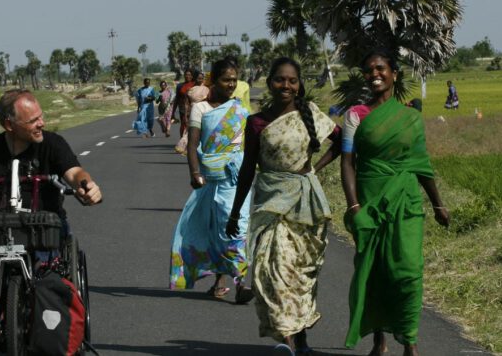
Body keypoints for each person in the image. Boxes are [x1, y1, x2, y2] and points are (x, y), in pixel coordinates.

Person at [227, 57, 341, 354]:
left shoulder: (310, 116)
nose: (286, 85)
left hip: (305, 206)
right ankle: (286, 342)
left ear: (299, 84)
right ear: (269, 82)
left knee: (299, 276)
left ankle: (300, 339)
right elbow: (248, 169)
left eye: (292, 80)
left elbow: (340, 141)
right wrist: (236, 211)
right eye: (280, 79)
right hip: (270, 205)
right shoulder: (257, 122)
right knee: (270, 272)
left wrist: (313, 168)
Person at [340, 50, 450, 356]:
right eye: (369, 70)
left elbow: (421, 164)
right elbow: (348, 163)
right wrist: (354, 207)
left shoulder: (411, 118)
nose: (375, 73)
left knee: (408, 271)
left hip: (406, 202)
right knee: (376, 271)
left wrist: (438, 204)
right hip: (370, 201)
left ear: (394, 73)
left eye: (381, 68)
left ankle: (410, 340)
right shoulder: (355, 116)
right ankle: (379, 340)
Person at [0, 89, 103, 216]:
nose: (42, 124)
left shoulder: (52, 144)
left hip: (46, 231)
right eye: (33, 121)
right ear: (9, 125)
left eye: (41, 117)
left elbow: (75, 174)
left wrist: (87, 186)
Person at [170, 58, 253, 303]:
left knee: (237, 227)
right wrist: (195, 174)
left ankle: (241, 284)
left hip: (236, 180)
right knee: (218, 231)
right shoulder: (201, 109)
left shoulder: (239, 109)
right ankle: (220, 281)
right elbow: (193, 145)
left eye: (234, 80)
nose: (230, 84)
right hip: (210, 180)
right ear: (213, 80)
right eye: (226, 79)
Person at [174, 71, 205, 154]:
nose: (200, 80)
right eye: (199, 78)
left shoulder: (206, 88)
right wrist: (185, 114)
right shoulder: (189, 89)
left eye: (202, 78)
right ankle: (186, 146)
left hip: (204, 112)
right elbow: (185, 102)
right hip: (191, 111)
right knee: (190, 129)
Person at [171, 69, 195, 138]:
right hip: (183, 109)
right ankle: (182, 140)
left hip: (194, 108)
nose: (187, 76)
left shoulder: (195, 85)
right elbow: (177, 99)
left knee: (193, 125)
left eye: (189, 75)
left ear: (192, 76)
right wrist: (173, 113)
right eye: (186, 75)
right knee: (184, 124)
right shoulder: (180, 86)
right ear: (184, 76)